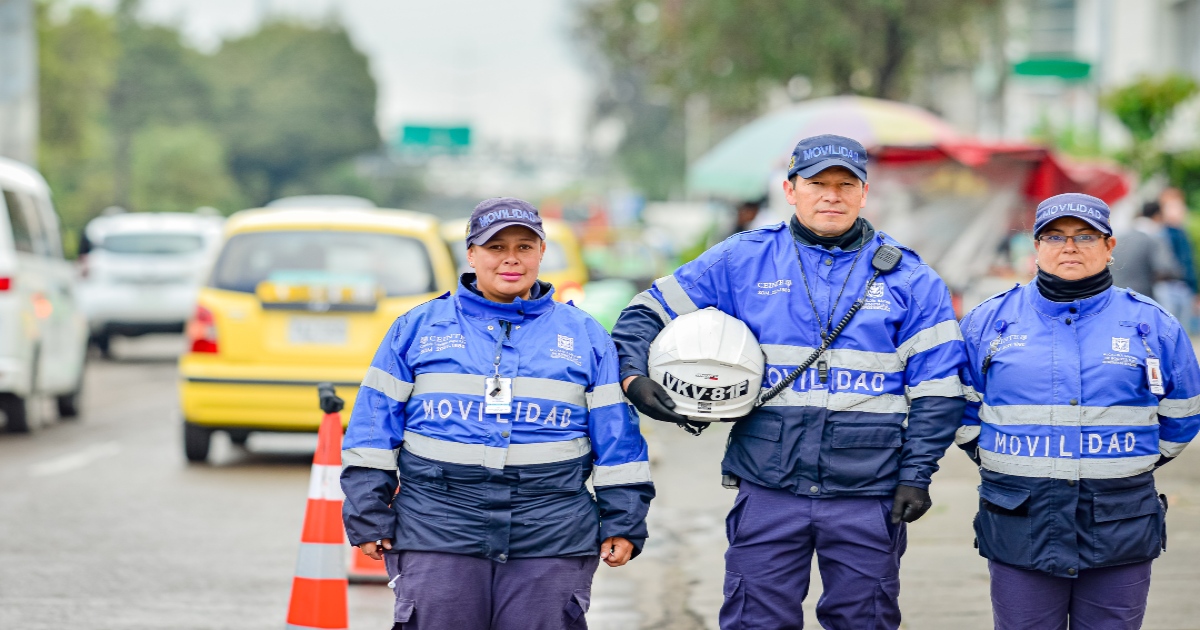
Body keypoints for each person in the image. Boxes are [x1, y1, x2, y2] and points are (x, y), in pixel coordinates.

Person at [611, 134, 966, 629]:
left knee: (865, 621)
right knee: (755, 621)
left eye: (846, 185)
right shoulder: (742, 259)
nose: (831, 195)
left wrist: (916, 475)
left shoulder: (910, 278)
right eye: (817, 183)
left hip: (869, 494)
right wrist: (633, 378)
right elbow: (644, 313)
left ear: (865, 194)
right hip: (768, 487)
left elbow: (940, 390)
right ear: (790, 189)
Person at [340, 197, 655, 630]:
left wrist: (624, 520)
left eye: (525, 247)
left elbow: (619, 440)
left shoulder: (585, 336)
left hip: (552, 530)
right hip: (438, 525)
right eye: (495, 247)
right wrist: (368, 513)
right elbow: (373, 430)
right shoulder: (416, 328)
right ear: (471, 254)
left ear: (542, 252)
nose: (511, 259)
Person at [956, 193, 1200, 629]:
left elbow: (1182, 414)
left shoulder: (1154, 324)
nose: (1069, 246)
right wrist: (1001, 459)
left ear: (1109, 246)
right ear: (1036, 245)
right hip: (1019, 519)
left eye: (1085, 235)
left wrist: (1130, 460)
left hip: (1119, 521)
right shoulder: (988, 321)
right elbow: (961, 407)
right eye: (1055, 235)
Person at [1111, 200, 1181, 298]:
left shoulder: (1120, 237)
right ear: (1157, 216)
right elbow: (1165, 268)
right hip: (1142, 297)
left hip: (1116, 294)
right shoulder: (1153, 238)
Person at [1158, 188, 1197, 332]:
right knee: (1168, 331)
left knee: (1183, 333)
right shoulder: (1161, 233)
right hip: (1168, 287)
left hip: (1185, 287)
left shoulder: (1182, 233)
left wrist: (1194, 289)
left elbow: (1189, 263)